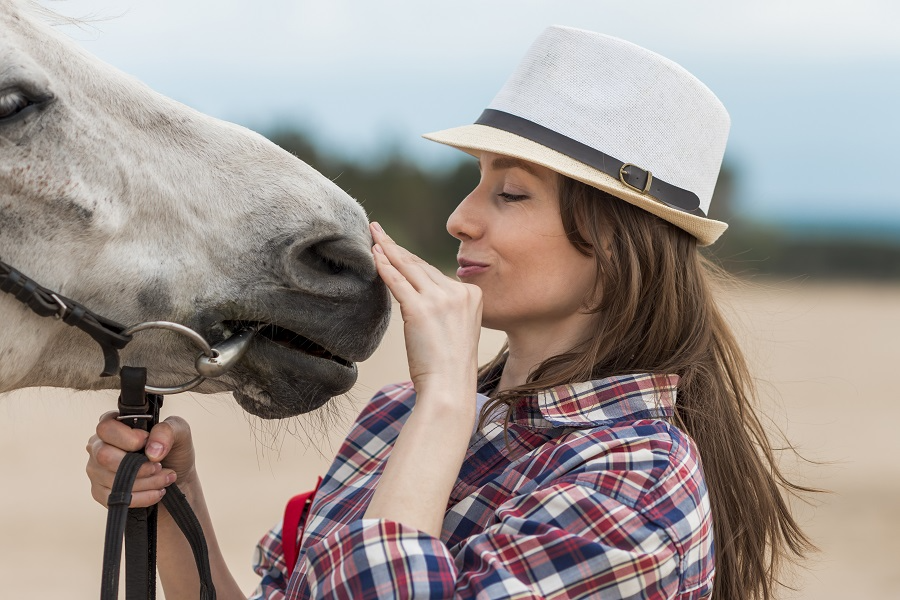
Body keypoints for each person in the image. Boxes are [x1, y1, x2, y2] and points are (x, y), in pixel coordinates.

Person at [85, 26, 813, 599]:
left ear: (616, 251)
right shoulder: (395, 420)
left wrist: (444, 402)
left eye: (512, 193)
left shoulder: (635, 479)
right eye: (476, 184)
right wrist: (175, 505)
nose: (462, 219)